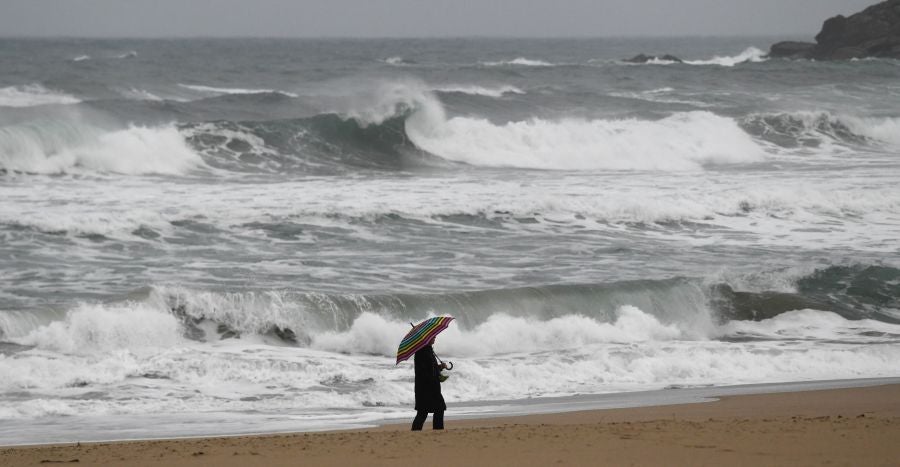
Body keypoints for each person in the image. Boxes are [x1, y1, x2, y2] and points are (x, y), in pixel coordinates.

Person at [411, 336, 447, 430]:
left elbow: (431, 368)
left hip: (430, 387)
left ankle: (437, 430)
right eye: (433, 336)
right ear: (427, 338)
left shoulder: (428, 350)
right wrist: (436, 374)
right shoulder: (422, 352)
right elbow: (424, 371)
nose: (435, 337)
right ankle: (418, 432)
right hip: (426, 388)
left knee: (435, 409)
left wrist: (440, 367)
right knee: (424, 411)